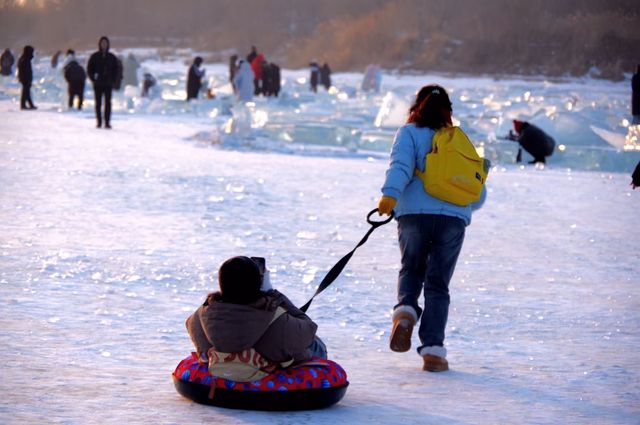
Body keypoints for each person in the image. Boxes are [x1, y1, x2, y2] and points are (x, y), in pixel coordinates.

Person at [377, 84, 487, 372]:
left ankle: (406, 312)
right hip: (453, 220)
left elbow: (400, 166)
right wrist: (456, 206)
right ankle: (434, 353)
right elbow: (478, 191)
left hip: (413, 214)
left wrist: (390, 195)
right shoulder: (459, 139)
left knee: (412, 267)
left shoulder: (408, 133)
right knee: (438, 284)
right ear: (448, 111)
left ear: (416, 106)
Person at [186, 256, 326, 380]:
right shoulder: (277, 320)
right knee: (315, 345)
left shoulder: (202, 315)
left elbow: (190, 325)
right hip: (266, 371)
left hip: (219, 370)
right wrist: (274, 295)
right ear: (258, 284)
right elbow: (309, 329)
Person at [87, 36, 119, 128]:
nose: (104, 45)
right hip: (98, 84)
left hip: (108, 83)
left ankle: (107, 122)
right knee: (98, 103)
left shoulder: (111, 57)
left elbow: (116, 69)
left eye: (105, 43)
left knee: (108, 103)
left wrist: (113, 79)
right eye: (102, 43)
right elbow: (89, 69)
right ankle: (99, 121)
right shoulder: (95, 56)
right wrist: (93, 78)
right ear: (100, 44)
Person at [17, 45, 36, 110]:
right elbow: (24, 70)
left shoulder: (25, 58)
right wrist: (26, 79)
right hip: (25, 79)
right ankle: (23, 105)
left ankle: (29, 105)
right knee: (25, 92)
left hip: (26, 78)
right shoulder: (24, 59)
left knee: (26, 92)